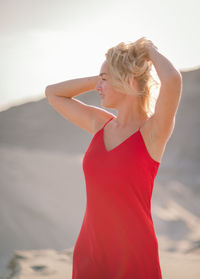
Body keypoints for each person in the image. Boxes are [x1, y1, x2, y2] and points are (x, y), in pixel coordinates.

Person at [45, 37, 182, 279]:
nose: (98, 87)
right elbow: (53, 93)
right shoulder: (100, 123)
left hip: (133, 253)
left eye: (105, 80)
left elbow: (172, 80)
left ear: (127, 81)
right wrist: (102, 77)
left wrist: (149, 50)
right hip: (90, 249)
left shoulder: (152, 133)